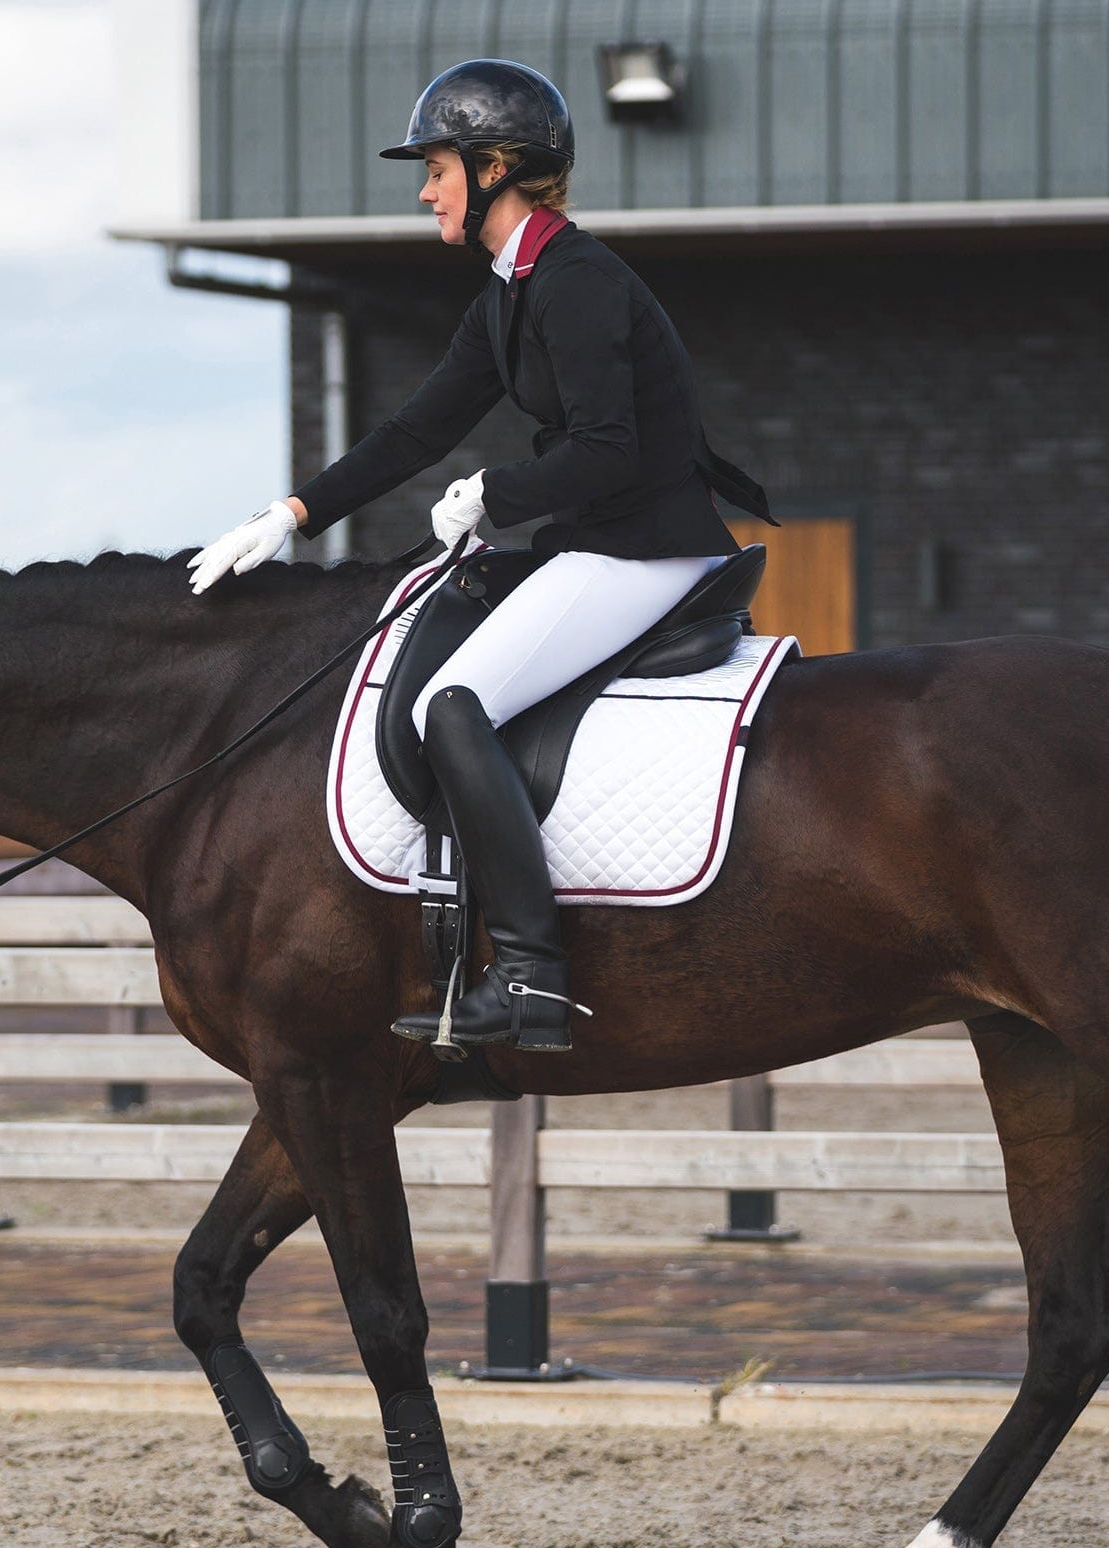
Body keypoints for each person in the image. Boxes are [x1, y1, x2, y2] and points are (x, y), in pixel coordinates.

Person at [188, 58, 772, 1053]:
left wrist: (495, 492)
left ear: (496, 167)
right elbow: (415, 431)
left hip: (648, 552)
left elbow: (611, 450)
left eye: (436, 170)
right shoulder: (509, 293)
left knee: (449, 705)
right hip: (595, 540)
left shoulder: (577, 283)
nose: (423, 191)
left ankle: (535, 974)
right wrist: (289, 513)